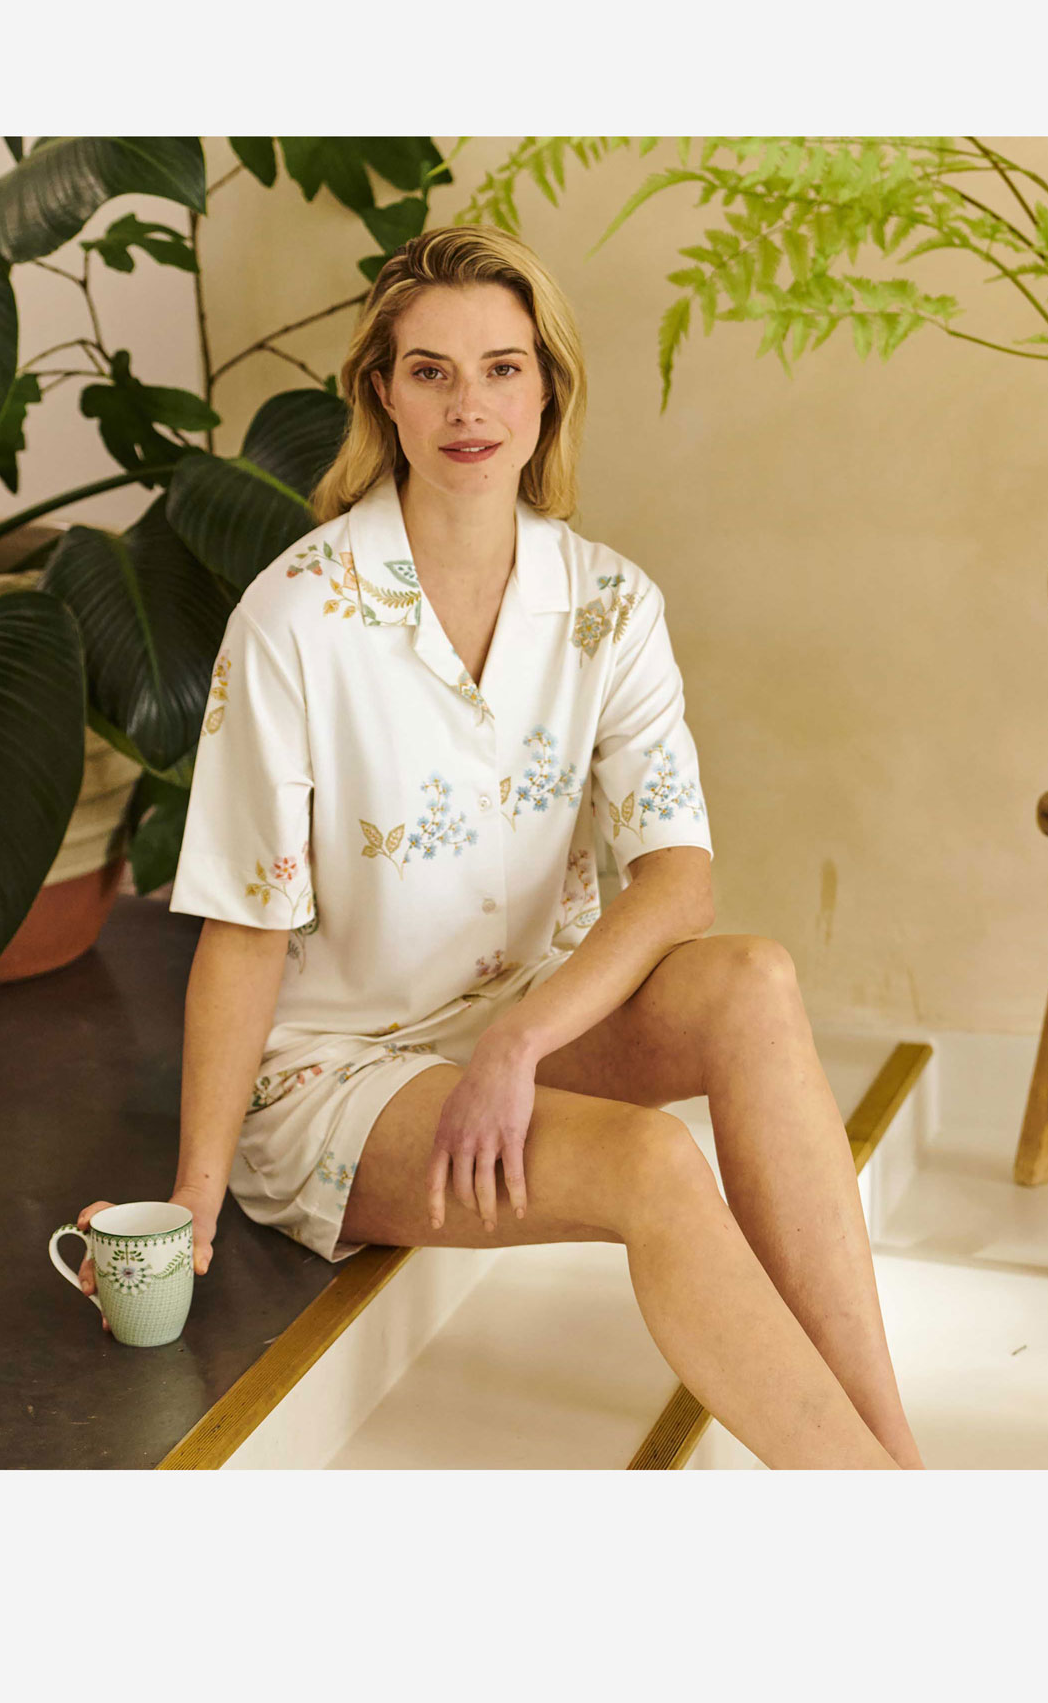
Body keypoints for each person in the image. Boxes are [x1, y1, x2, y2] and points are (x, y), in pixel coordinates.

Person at [76, 225, 923, 1470]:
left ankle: (894, 1461)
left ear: (545, 391)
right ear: (383, 393)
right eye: (430, 372)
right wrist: (193, 1195)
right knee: (651, 1161)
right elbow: (245, 925)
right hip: (347, 1075)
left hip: (528, 1019)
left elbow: (677, 876)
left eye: (501, 368)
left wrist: (520, 1038)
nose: (467, 406)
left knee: (753, 979)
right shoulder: (296, 618)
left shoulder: (609, 605)